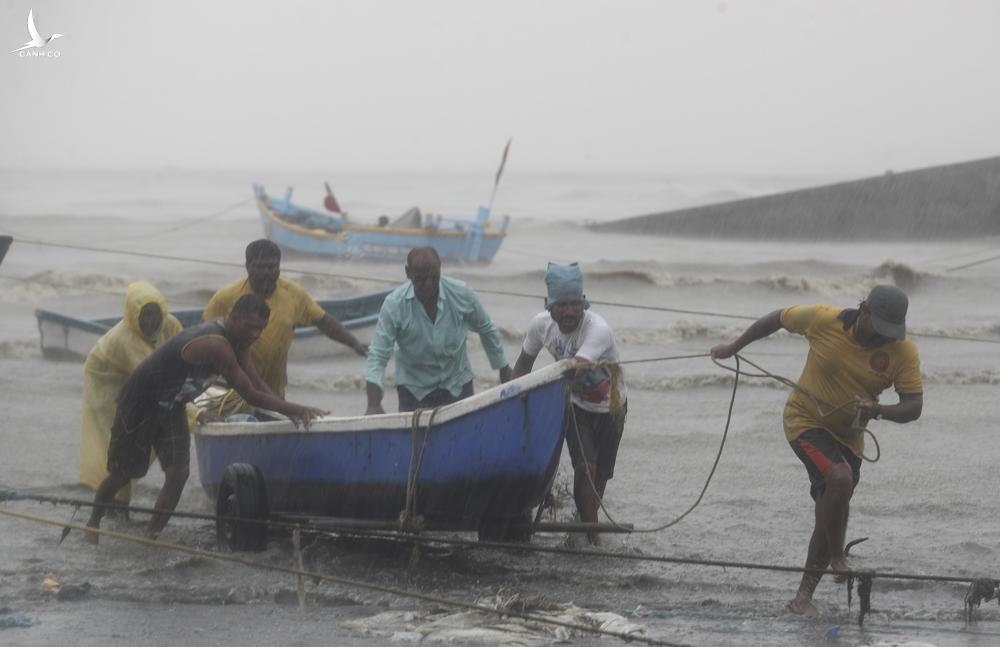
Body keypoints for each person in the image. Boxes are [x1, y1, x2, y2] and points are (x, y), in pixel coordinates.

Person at [710, 284, 923, 617]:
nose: (885, 338)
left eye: (891, 332)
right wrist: (732, 347)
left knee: (833, 506)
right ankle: (838, 558)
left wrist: (878, 410)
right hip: (805, 421)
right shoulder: (824, 320)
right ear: (864, 310)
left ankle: (802, 599)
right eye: (879, 329)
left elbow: (914, 407)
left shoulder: (903, 351)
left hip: (849, 438)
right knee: (840, 479)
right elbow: (776, 319)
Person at [85, 293, 327, 542]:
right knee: (123, 474)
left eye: (260, 330)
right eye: (250, 327)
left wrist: (285, 413)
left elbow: (257, 383)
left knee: (178, 473)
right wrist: (298, 410)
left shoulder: (240, 341)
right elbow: (250, 395)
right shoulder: (216, 344)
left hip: (173, 405)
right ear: (234, 317)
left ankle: (151, 535)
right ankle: (92, 523)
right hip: (140, 402)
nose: (254, 335)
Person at [511, 262, 627, 546]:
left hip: (611, 408)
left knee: (600, 480)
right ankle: (593, 542)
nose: (569, 312)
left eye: (575, 304)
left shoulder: (598, 329)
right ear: (549, 306)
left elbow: (577, 367)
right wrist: (512, 398)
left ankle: (582, 525)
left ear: (583, 304)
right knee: (585, 471)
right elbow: (523, 365)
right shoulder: (540, 326)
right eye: (561, 305)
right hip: (576, 408)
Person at [202, 239, 367, 414]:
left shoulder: (294, 294)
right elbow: (203, 336)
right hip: (230, 393)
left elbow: (323, 321)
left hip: (274, 393)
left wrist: (354, 343)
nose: (266, 273)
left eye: (272, 267)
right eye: (260, 267)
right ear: (248, 266)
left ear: (279, 267)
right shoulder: (225, 297)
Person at [80, 282, 197, 505]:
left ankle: (120, 512)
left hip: (142, 380)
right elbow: (158, 381)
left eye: (155, 313)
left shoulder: (170, 324)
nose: (151, 321)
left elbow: (185, 359)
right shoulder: (125, 341)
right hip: (108, 383)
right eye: (144, 314)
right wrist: (197, 414)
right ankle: (114, 509)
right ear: (132, 315)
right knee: (117, 452)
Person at [365, 246, 511, 414]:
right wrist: (373, 404)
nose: (428, 284)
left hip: (457, 385)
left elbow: (486, 328)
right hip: (414, 392)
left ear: (440, 267)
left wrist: (503, 369)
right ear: (408, 273)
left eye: (433, 277)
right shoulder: (394, 306)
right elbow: (378, 355)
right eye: (420, 279)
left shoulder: (462, 294)